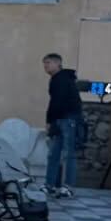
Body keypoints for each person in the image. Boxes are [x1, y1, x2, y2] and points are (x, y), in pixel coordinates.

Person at [43, 53, 83, 198]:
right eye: (44, 63)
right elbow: (54, 102)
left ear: (57, 63)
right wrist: (51, 121)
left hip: (68, 119)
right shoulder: (56, 79)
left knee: (69, 154)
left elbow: (58, 102)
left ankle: (68, 186)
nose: (45, 66)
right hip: (59, 120)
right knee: (53, 154)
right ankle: (50, 185)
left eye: (48, 63)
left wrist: (49, 121)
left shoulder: (63, 79)